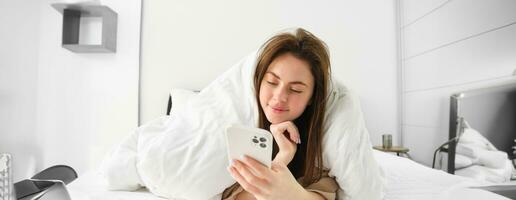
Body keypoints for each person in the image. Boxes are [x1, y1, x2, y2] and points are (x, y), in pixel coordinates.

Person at [222, 28, 339, 200]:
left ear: (312, 97)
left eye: (295, 89)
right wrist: (280, 161)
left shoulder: (324, 153)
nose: (279, 97)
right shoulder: (235, 133)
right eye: (271, 82)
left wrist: (284, 174)